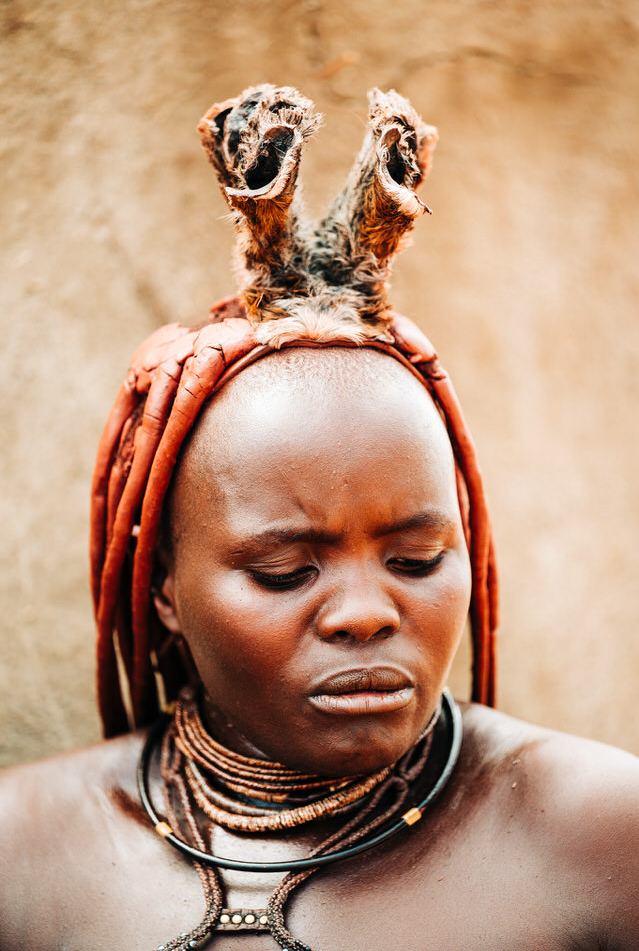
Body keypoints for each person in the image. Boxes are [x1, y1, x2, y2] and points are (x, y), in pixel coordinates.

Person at [0, 84, 637, 951]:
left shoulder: (601, 836)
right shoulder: (22, 850)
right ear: (164, 593)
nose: (368, 612)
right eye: (285, 571)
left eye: (415, 558)